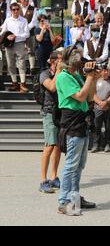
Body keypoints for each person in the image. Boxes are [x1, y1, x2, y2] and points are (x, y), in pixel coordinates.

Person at [56, 45, 97, 215]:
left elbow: (89, 96)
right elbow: (79, 96)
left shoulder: (77, 76)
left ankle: (75, 197)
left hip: (82, 123)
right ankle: (64, 201)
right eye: (79, 56)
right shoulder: (63, 77)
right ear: (72, 59)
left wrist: (92, 78)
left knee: (79, 165)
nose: (82, 59)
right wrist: (88, 77)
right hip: (72, 124)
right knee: (71, 165)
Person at [39, 52, 63, 193]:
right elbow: (52, 87)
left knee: (58, 146)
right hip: (49, 112)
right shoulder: (44, 74)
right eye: (59, 60)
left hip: (61, 112)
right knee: (49, 145)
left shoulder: (63, 73)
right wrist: (59, 71)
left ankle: (54, 177)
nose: (62, 62)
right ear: (52, 61)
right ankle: (43, 180)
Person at [0, 2, 30, 93]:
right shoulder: (8, 20)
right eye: (14, 9)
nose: (16, 11)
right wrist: (5, 37)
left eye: (17, 9)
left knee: (21, 64)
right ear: (11, 10)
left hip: (20, 44)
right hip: (9, 45)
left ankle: (23, 84)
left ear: (19, 10)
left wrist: (16, 36)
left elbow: (27, 34)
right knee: (10, 65)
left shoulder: (24, 20)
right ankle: (14, 83)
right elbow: (3, 32)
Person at [92, 65, 110, 153]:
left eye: (107, 71)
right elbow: (93, 94)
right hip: (97, 108)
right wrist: (100, 103)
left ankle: (108, 144)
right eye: (103, 70)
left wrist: (106, 102)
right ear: (100, 72)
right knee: (97, 127)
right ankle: (96, 144)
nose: (105, 72)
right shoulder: (95, 82)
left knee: (108, 127)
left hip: (108, 107)